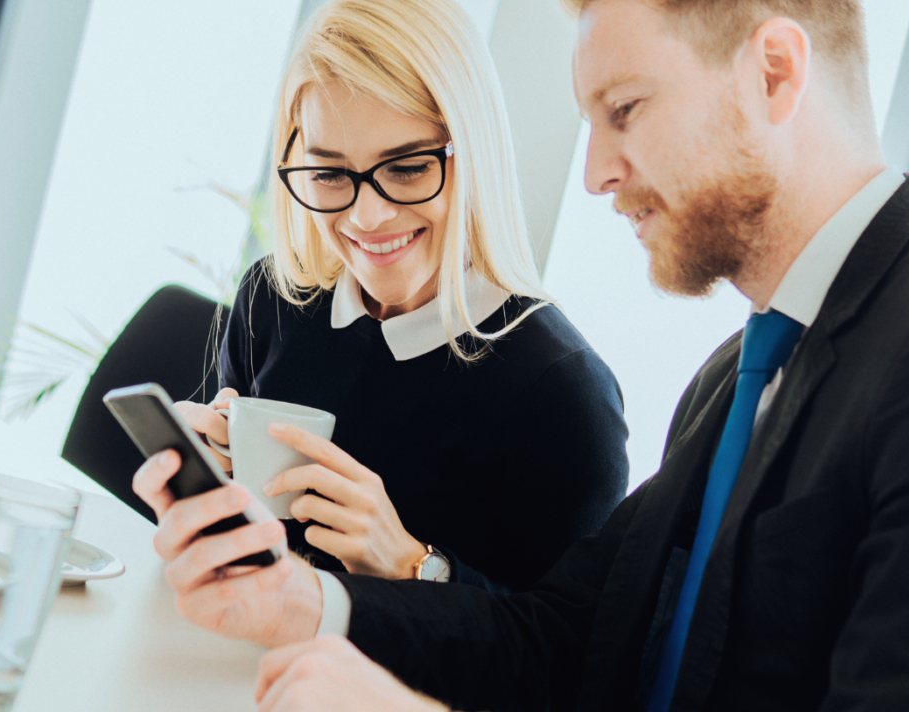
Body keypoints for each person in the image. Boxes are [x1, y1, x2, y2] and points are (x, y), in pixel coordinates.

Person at [136, 0, 909, 709]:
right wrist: (306, 598)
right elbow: (569, 642)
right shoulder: (742, 376)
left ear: (774, 72)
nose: (594, 173)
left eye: (624, 111)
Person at [168, 0, 628, 593]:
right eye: (330, 174)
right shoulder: (273, 301)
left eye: (407, 168)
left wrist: (412, 565)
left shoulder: (561, 394)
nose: (367, 216)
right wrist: (203, 494)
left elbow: (560, 662)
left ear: (474, 154)